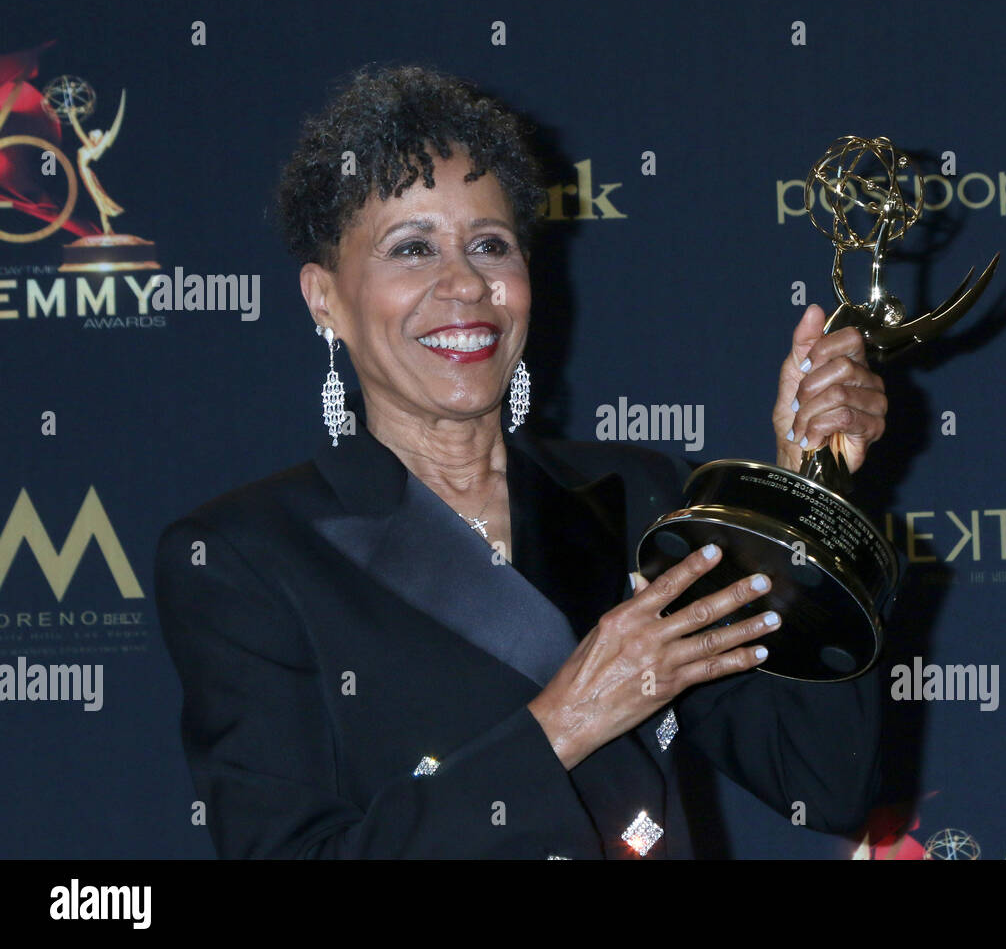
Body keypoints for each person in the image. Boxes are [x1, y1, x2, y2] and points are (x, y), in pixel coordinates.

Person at [154, 64, 890, 859]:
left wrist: (807, 498)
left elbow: (822, 784)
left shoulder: (635, 493)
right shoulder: (247, 556)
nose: (465, 283)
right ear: (324, 298)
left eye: (490, 245)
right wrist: (565, 724)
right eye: (412, 248)